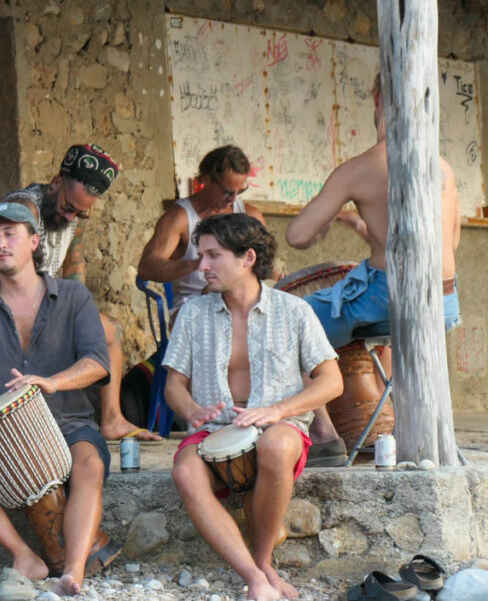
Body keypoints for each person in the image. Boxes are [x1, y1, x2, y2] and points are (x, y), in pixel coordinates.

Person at [0, 202, 115, 598]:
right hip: (0, 443)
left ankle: (75, 568)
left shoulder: (73, 296)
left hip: (69, 424)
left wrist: (53, 381)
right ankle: (23, 555)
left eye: (9, 234)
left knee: (90, 463)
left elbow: (98, 363)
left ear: (34, 241)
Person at [285, 72, 461, 465]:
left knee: (286, 322)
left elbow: (297, 235)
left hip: (388, 299)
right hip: (445, 301)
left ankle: (324, 433)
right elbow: (448, 245)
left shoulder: (360, 167)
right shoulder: (445, 167)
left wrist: (327, 218)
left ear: (379, 99)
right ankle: (396, 425)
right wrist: (368, 228)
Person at [164, 213, 342, 601]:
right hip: (216, 428)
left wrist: (278, 410)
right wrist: (191, 409)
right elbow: (174, 385)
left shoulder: (294, 311)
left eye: (213, 256)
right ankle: (255, 577)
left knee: (275, 445)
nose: (202, 266)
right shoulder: (193, 314)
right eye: (201, 255)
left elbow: (332, 381)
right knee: (185, 473)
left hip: (281, 424)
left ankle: (263, 561)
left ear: (247, 258)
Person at [0, 144, 153, 444]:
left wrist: (79, 310)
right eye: (69, 208)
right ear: (56, 182)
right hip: (5, 306)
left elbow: (74, 264)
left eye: (81, 214)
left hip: (43, 305)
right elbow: (8, 278)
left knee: (111, 331)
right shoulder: (25, 210)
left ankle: (111, 419)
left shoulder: (71, 217)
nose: (72, 217)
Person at [137, 145, 266, 314]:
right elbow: (147, 268)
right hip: (193, 303)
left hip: (239, 301)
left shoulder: (250, 216)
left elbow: (265, 263)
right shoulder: (180, 218)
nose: (233, 199)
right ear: (205, 179)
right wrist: (197, 264)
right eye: (227, 191)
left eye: (240, 191)